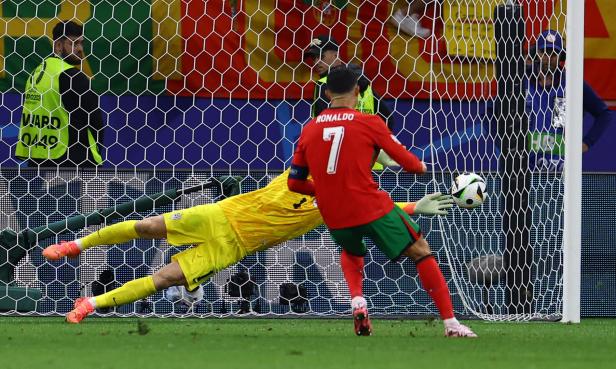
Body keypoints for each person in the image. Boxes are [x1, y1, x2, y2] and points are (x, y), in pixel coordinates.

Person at [42, 169, 453, 324]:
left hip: (232, 247)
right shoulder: (300, 171)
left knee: (163, 277)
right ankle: (76, 244)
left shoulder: (338, 203)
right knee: (149, 225)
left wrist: (417, 204)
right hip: (220, 214)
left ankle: (89, 306)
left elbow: (380, 209)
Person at [287, 66, 476, 337]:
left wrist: (325, 191)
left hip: (334, 214)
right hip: (369, 205)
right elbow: (409, 165)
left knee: (352, 251)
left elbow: (294, 183)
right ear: (357, 90)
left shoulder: (309, 130)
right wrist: (423, 166)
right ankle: (451, 324)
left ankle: (358, 301)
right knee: (421, 250)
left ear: (327, 92)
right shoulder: (370, 122)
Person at [14, 20, 104, 167]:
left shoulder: (35, 73)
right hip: (72, 162)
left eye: (82, 43)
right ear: (58, 46)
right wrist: (97, 151)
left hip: (38, 159)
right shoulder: (73, 76)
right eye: (74, 43)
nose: (80, 48)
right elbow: (96, 121)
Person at [304, 35, 397, 170]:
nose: (316, 62)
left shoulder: (325, 85)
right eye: (313, 58)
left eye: (321, 56)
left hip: (339, 166)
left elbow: (323, 128)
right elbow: (389, 119)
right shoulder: (363, 83)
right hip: (371, 167)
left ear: (336, 54)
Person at [526, 30, 612, 171]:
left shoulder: (572, 83)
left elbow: (604, 114)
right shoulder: (520, 81)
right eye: (544, 52)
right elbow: (490, 112)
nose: (548, 57)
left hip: (560, 171)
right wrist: (504, 144)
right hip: (523, 171)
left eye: (554, 53)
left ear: (561, 56)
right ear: (537, 54)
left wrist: (586, 143)